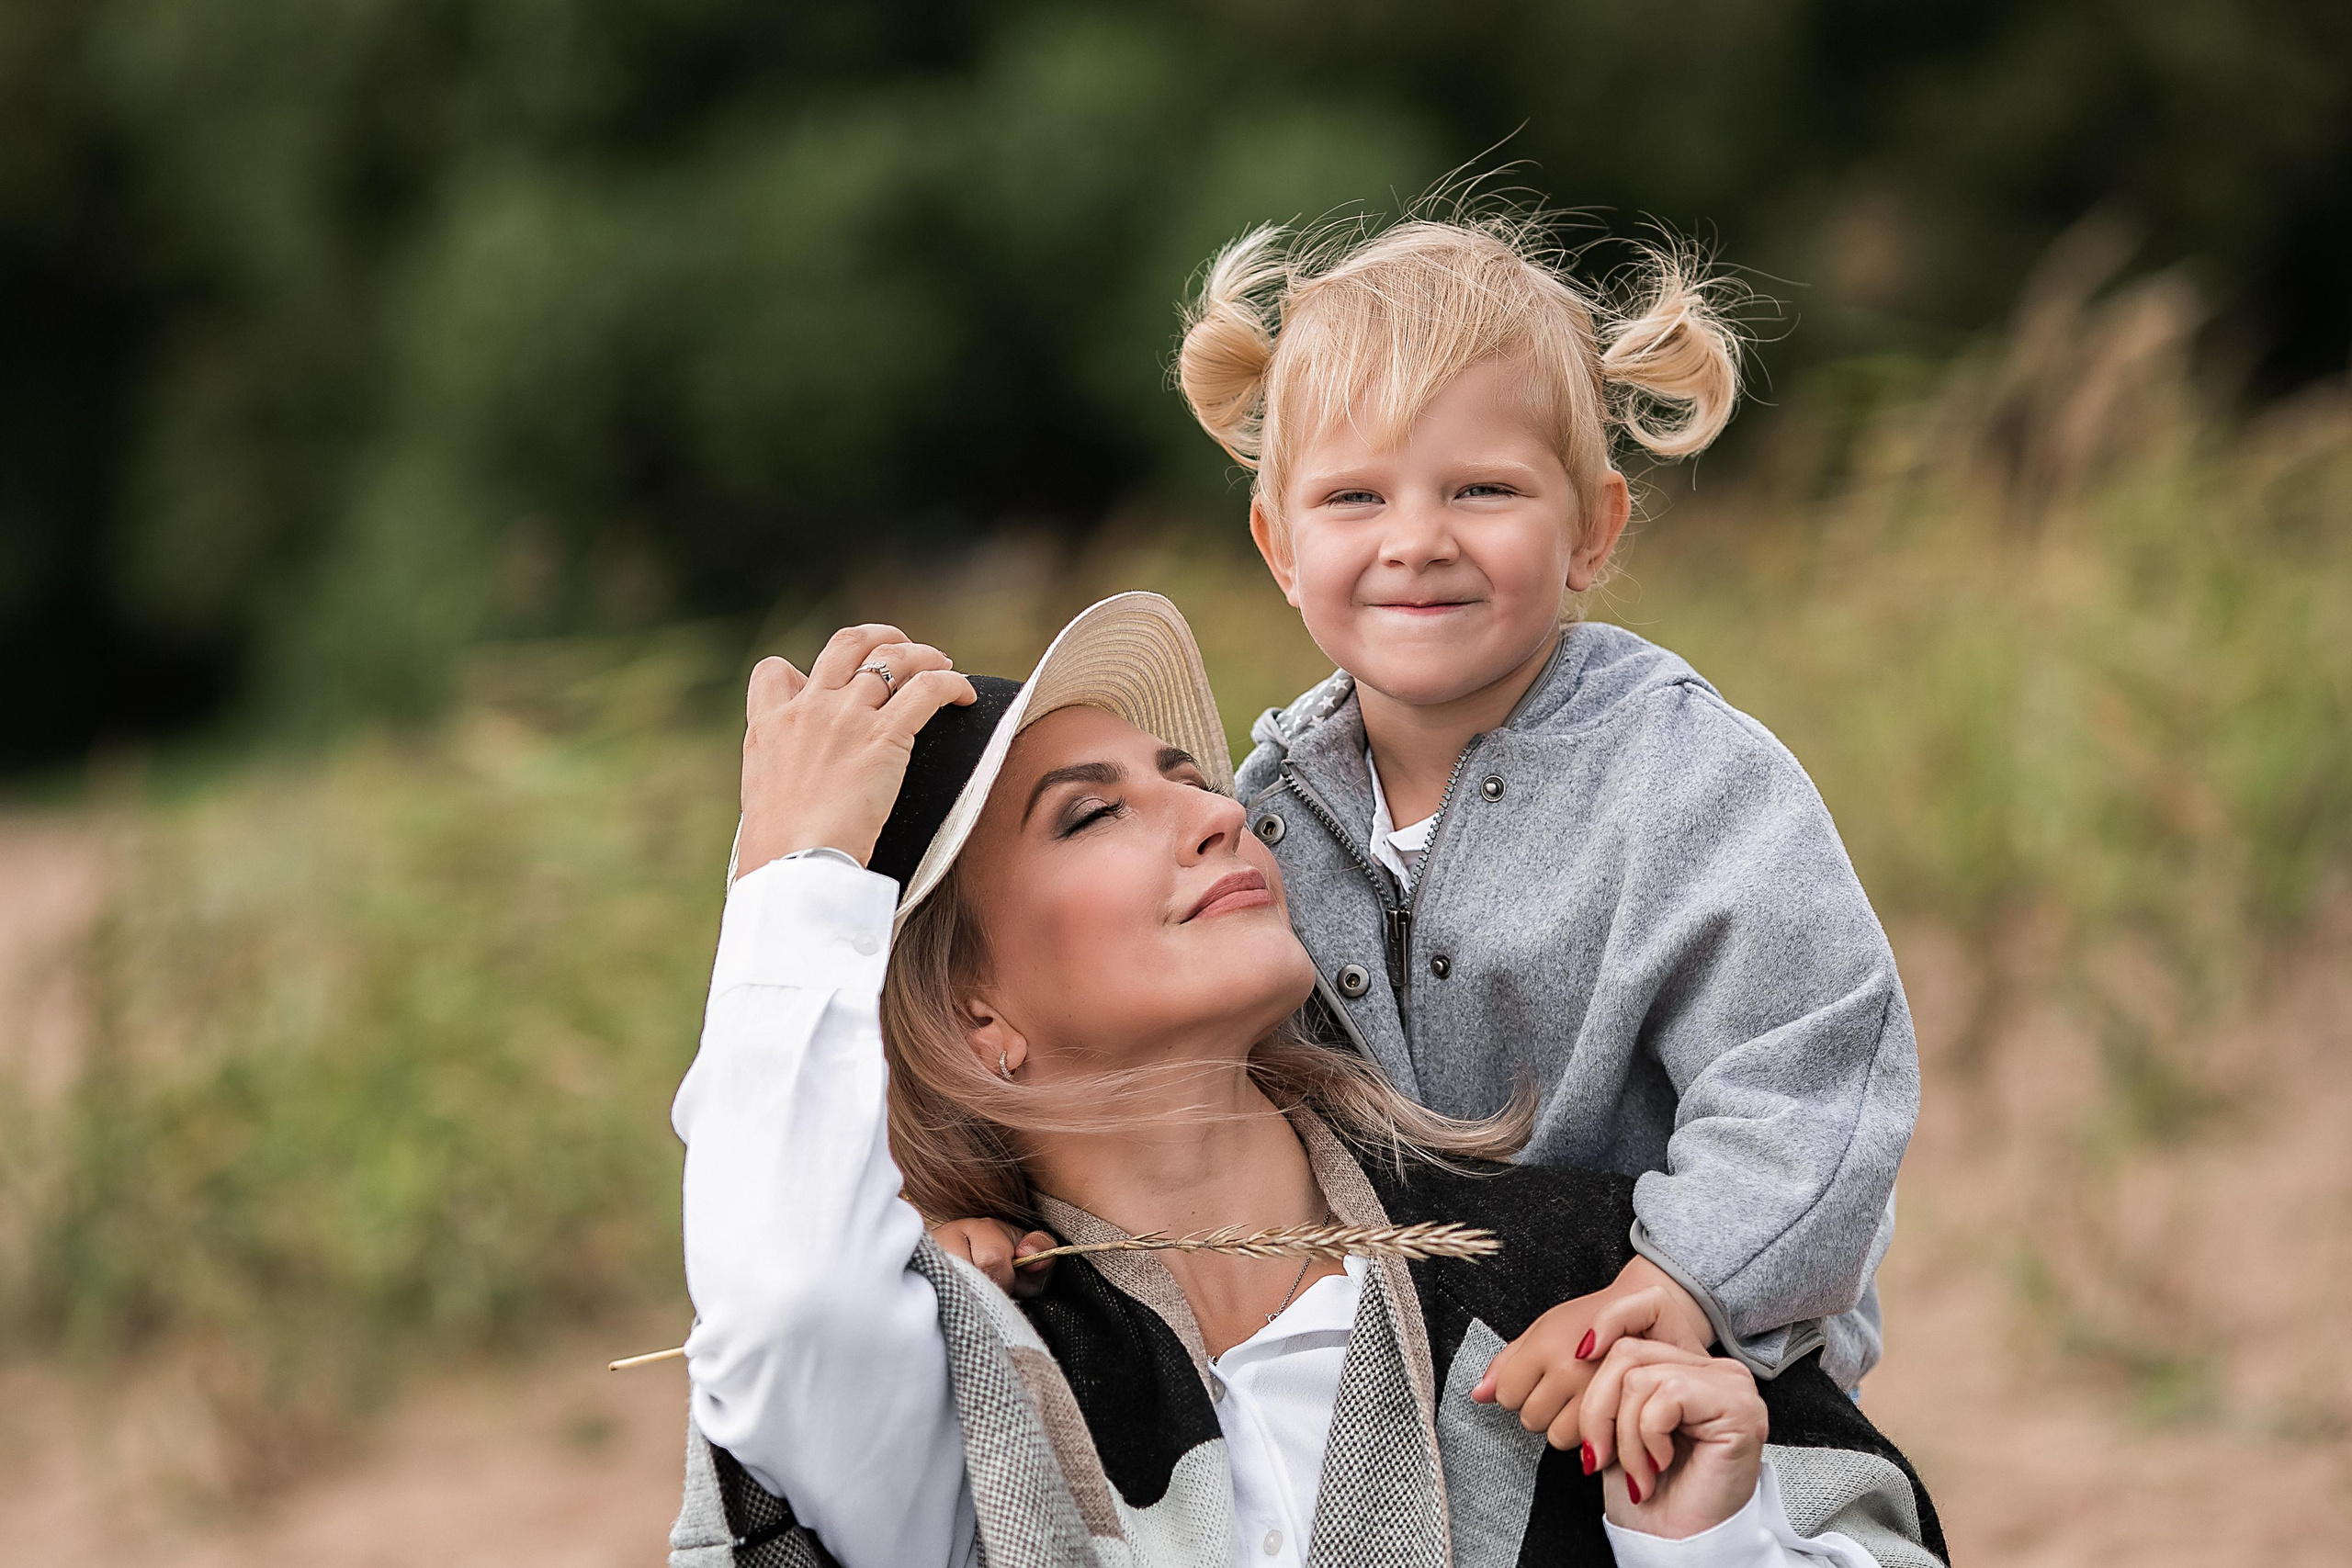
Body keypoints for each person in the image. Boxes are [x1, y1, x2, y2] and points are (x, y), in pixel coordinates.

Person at [669, 594, 1946, 1568]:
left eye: (1190, 779)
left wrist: (1701, 1545)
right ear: (973, 1012)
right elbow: (781, 1299)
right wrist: (796, 871)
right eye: (1092, 814)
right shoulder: (966, 1373)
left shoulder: (1589, 1285)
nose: (1220, 816)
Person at [1134, 209, 1913, 1393]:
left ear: (1592, 528)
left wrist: (1681, 1288)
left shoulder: (1688, 777)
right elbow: (1171, 1072)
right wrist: (1005, 1204)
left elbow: (1811, 1065)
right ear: (1278, 545)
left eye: (1483, 488)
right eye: (1352, 498)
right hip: (1406, 1381)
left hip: (1695, 1358)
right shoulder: (1267, 813)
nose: (1416, 541)